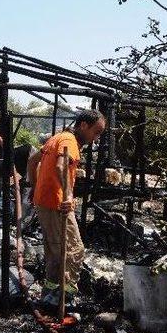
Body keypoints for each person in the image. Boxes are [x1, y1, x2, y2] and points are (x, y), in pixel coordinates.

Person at [27, 109, 106, 306]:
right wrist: (68, 195)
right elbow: (61, 166)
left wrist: (35, 187)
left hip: (44, 201)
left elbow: (32, 161)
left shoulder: (57, 138)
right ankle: (67, 295)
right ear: (84, 125)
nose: (96, 139)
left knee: (54, 250)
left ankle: (50, 295)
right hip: (57, 204)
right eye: (96, 132)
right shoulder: (70, 141)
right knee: (75, 250)